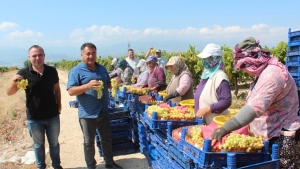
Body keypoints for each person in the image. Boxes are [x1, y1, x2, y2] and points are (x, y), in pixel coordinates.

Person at [211, 37, 300, 169]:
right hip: (269, 137)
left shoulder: (272, 75)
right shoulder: (263, 72)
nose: (242, 71)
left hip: (280, 140)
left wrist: (225, 128)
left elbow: (254, 108)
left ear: (250, 62)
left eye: (242, 66)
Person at [66, 43, 123, 169]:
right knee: (89, 143)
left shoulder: (102, 69)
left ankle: (109, 163)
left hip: (103, 111)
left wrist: (115, 83)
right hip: (87, 114)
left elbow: (108, 85)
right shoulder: (76, 71)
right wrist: (88, 86)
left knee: (106, 138)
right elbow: (70, 91)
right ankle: (91, 166)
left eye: (93, 53)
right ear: (82, 55)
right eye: (88, 53)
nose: (91, 56)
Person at [6, 45, 63, 169]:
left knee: (54, 143)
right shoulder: (23, 73)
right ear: (29, 58)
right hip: (34, 117)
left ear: (44, 56)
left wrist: (59, 105)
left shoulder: (51, 71)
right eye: (34, 56)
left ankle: (56, 165)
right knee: (38, 145)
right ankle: (41, 167)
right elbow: (9, 93)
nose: (37, 58)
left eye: (40, 55)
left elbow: (57, 89)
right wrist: (13, 82)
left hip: (52, 115)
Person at [194, 43, 232, 125]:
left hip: (214, 125)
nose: (205, 61)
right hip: (204, 124)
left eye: (208, 58)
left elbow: (226, 101)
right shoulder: (207, 73)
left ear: (215, 59)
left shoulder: (220, 76)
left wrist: (208, 109)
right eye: (204, 58)